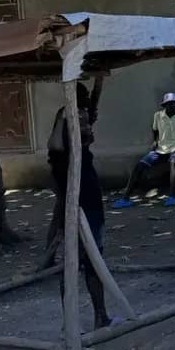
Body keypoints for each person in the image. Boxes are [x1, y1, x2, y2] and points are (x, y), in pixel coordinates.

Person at [46, 79, 111, 329]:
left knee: (92, 260)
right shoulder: (63, 155)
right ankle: (73, 322)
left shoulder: (80, 150)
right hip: (79, 204)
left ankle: (100, 316)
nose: (87, 122)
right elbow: (54, 145)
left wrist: (98, 86)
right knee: (76, 262)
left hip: (89, 201)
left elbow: (91, 111)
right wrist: (64, 116)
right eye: (81, 117)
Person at [114, 93, 175, 208]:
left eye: (173, 104)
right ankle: (125, 198)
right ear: (164, 105)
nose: (171, 106)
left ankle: (172, 195)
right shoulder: (158, 116)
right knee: (140, 165)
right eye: (168, 104)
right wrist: (155, 142)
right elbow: (155, 130)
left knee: (173, 162)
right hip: (160, 150)